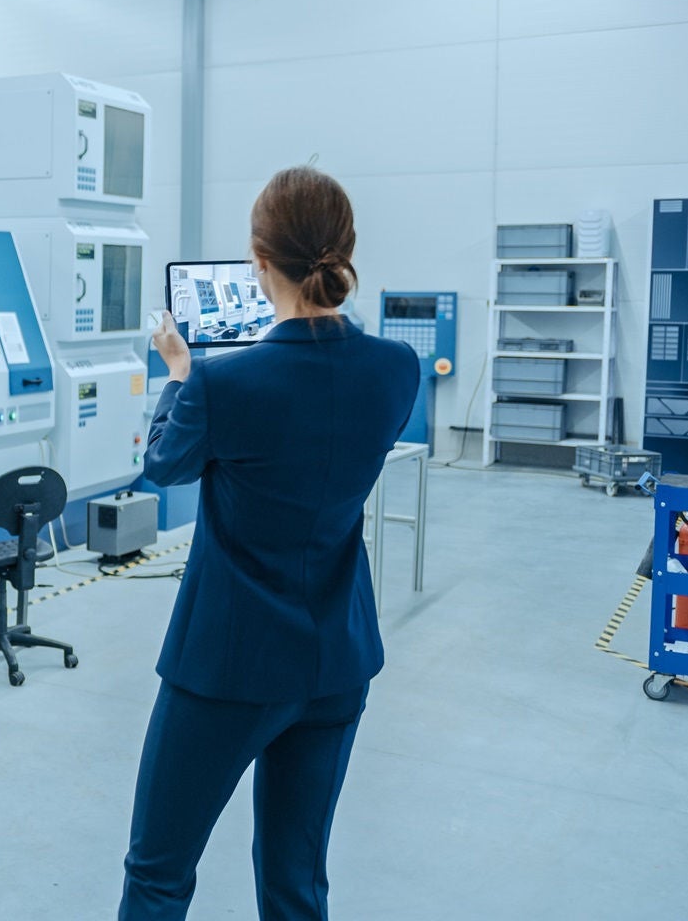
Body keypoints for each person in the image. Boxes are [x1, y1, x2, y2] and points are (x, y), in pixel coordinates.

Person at [119, 166, 421, 920]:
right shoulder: (396, 370)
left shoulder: (226, 387)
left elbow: (164, 464)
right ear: (344, 252)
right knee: (296, 881)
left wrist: (180, 374)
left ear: (258, 265)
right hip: (336, 664)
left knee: (158, 873)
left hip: (228, 666)